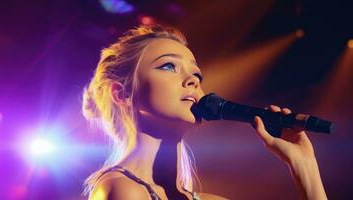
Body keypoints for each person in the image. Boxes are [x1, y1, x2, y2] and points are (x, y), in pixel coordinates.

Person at [82, 24, 327, 200]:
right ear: (122, 94)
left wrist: (304, 166)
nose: (192, 79)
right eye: (168, 66)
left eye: (197, 73)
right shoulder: (122, 190)